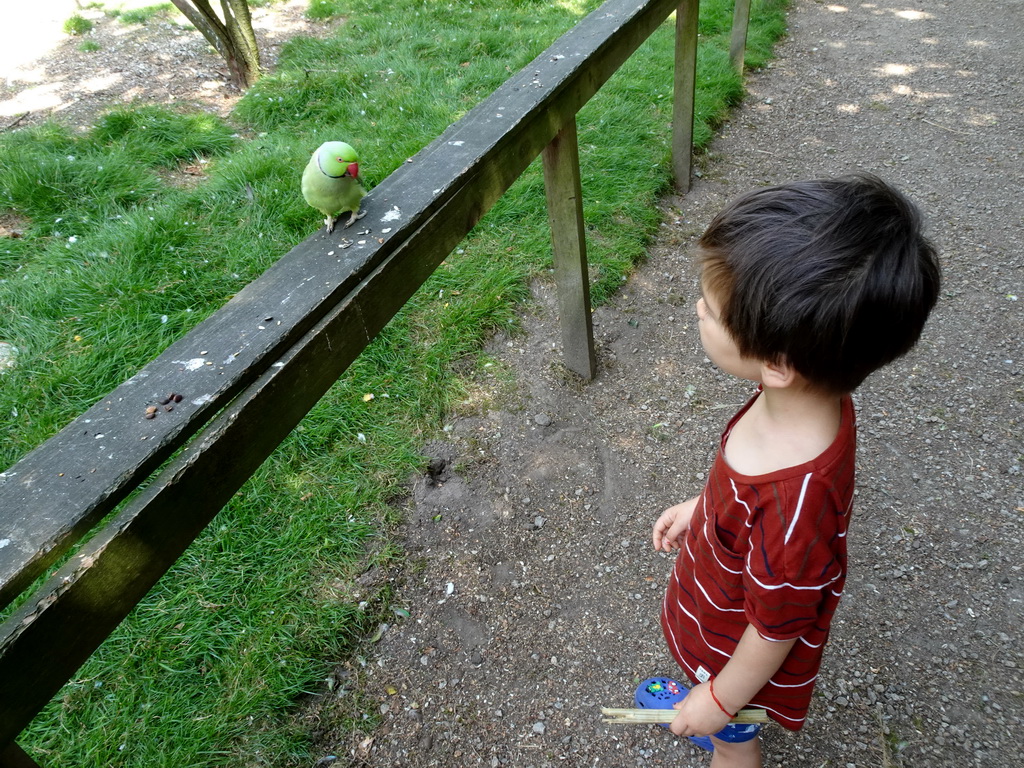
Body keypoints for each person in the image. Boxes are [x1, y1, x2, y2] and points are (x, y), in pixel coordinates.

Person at [645, 174, 940, 767]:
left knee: (732, 743)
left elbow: (778, 626)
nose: (697, 309)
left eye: (710, 308)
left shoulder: (795, 504)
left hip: (738, 646)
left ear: (778, 362)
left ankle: (723, 730)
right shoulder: (801, 397)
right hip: (724, 591)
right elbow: (737, 487)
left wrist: (723, 700)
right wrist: (703, 508)